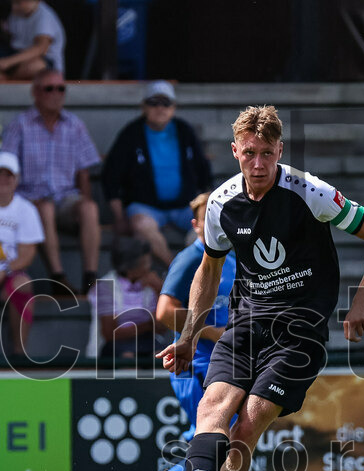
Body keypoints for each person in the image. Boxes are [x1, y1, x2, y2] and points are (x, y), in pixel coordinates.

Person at [144, 105, 364, 471]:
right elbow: (208, 268)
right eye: (249, 154)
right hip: (247, 323)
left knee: (247, 426)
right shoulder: (221, 204)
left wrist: (363, 299)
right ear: (235, 152)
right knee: (212, 406)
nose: (258, 164)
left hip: (300, 330)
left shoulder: (309, 192)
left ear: (280, 150)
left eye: (267, 154)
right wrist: (187, 336)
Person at [115, 191, 236, 471]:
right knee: (217, 439)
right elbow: (165, 311)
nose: (218, 225)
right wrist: (213, 333)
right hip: (194, 364)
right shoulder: (191, 258)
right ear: (197, 225)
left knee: (214, 440)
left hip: (223, 362)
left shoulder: (232, 257)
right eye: (209, 219)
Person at [1, 68, 102, 296]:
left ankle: (90, 279)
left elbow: (84, 172)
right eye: (49, 88)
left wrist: (83, 199)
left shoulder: (75, 124)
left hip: (66, 199)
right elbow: (6, 167)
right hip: (29, 199)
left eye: (61, 88)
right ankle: (59, 279)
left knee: (89, 208)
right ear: (35, 93)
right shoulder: (20, 124)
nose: (56, 93)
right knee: (44, 207)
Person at [102, 80, 213, 267]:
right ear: (143, 106)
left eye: (166, 103)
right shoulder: (131, 133)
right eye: (154, 102)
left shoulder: (184, 130)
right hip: (146, 207)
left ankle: (193, 271)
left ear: (174, 107)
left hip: (185, 205)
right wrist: (119, 217)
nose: (160, 108)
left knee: (209, 226)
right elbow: (111, 176)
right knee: (141, 227)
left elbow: (203, 171)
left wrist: (207, 202)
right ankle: (175, 271)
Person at [86, 236, 164, 361]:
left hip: (146, 341)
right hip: (114, 344)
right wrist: (148, 326)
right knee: (128, 357)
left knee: (162, 355)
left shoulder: (151, 284)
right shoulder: (105, 287)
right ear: (130, 268)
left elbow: (161, 328)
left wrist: (160, 290)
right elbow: (110, 333)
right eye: (144, 263)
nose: (149, 266)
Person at [0, 151, 44, 357]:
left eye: (8, 175)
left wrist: (5, 269)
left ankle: (19, 353)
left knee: (22, 284)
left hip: (10, 272)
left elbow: (27, 253)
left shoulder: (25, 209)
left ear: (16, 179)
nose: (3, 179)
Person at [0, 0, 65, 81]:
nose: (14, 7)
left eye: (18, 3)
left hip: (46, 63)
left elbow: (41, 48)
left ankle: (8, 81)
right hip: (17, 56)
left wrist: (8, 62)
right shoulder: (17, 13)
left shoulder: (44, 17)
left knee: (36, 66)